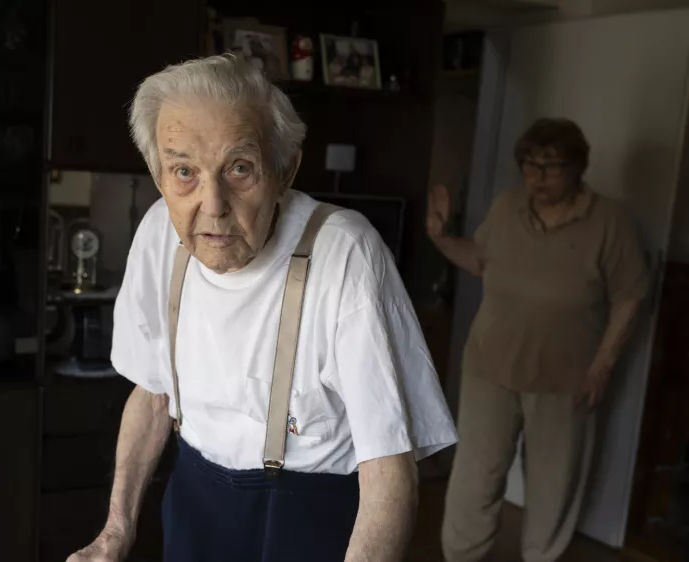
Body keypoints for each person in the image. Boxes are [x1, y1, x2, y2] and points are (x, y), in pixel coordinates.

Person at [67, 54, 458, 562]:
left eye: (239, 168)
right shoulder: (158, 235)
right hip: (196, 500)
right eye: (184, 171)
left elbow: (389, 466)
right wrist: (115, 531)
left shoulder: (345, 255)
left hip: (312, 515)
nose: (212, 204)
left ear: (284, 168)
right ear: (157, 174)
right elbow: (154, 392)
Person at [433, 118, 649, 562]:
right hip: (490, 367)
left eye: (551, 166)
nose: (538, 176)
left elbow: (631, 296)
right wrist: (440, 237)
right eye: (530, 165)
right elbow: (478, 259)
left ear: (578, 167)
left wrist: (601, 367)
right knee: (475, 476)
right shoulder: (508, 206)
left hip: (566, 378)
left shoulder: (609, 222)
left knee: (554, 484)